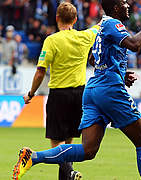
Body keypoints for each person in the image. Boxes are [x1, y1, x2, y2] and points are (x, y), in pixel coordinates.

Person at [12, 0, 141, 180]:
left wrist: (119, 71)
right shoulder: (112, 23)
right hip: (108, 90)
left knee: (87, 150)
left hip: (92, 90)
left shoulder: (102, 25)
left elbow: (93, 58)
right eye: (124, 3)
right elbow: (135, 45)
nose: (128, 5)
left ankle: (33, 157)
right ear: (116, 7)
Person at [13, 2, 101, 180]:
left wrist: (31, 93)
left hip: (59, 96)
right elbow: (99, 27)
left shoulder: (52, 40)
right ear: (76, 19)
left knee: (57, 145)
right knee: (68, 146)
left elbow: (40, 71)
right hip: (80, 96)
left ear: (57, 18)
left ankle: (68, 172)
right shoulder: (85, 36)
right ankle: (68, 175)